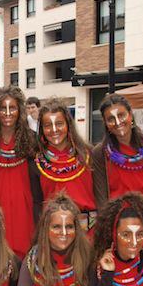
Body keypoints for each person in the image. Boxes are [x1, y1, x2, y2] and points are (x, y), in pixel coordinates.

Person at [91, 94, 143, 270]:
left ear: (131, 114)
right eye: (110, 119)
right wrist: (107, 237)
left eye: (121, 115)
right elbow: (102, 201)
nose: (117, 122)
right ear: (105, 124)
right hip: (119, 226)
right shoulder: (100, 153)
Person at [0, 85, 40, 258]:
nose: (7, 113)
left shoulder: (31, 138)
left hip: (22, 206)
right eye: (2, 108)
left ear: (20, 110)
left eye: (12, 108)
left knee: (21, 252)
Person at [35, 99, 95, 234]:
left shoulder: (88, 154)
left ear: (68, 124)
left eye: (59, 124)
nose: (54, 130)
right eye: (48, 125)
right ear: (42, 130)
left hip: (87, 230)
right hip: (53, 232)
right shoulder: (37, 161)